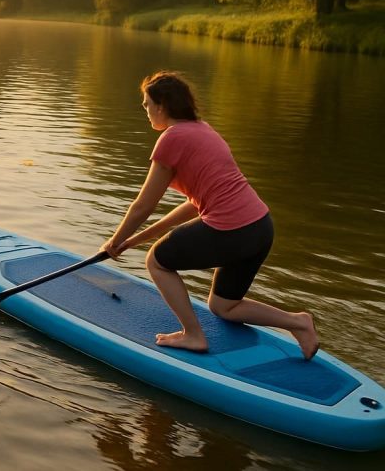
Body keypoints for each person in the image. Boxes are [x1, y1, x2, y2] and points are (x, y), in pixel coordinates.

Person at [100, 71, 319, 359]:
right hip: (260, 228)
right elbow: (195, 204)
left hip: (233, 230)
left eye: (147, 104)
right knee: (223, 306)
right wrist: (135, 239)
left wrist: (114, 241)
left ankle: (193, 335)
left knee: (157, 262)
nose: (145, 109)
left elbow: (144, 204)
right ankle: (298, 322)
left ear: (162, 105)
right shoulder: (202, 130)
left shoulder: (172, 138)